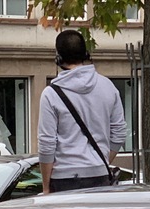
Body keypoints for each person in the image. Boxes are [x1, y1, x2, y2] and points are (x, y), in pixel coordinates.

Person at [38, 29, 127, 194]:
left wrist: (45, 186)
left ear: (58, 57)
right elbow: (120, 133)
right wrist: (101, 160)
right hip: (100, 175)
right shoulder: (108, 86)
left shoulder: (50, 94)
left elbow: (47, 144)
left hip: (64, 178)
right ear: (86, 54)